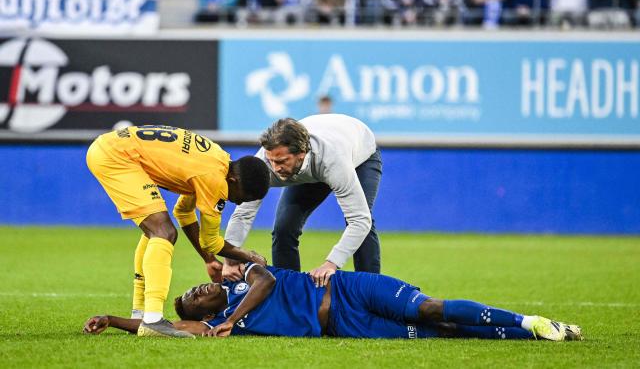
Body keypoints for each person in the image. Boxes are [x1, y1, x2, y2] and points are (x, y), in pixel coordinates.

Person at [85, 125, 271, 338]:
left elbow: (183, 212)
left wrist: (208, 260)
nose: (237, 202)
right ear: (233, 181)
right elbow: (211, 241)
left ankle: (141, 313)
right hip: (117, 156)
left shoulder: (218, 160)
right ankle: (153, 320)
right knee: (163, 232)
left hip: (114, 147)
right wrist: (248, 255)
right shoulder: (215, 181)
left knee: (155, 231)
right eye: (242, 197)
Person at [84, 263, 584, 342]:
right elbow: (164, 329)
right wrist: (112, 319)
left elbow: (266, 281)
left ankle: (528, 318)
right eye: (196, 296)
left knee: (429, 308)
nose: (201, 287)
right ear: (201, 312)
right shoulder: (209, 323)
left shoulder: (244, 279)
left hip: (346, 289)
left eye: (198, 285)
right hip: (344, 326)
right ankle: (539, 332)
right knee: (441, 334)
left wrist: (234, 317)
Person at [223, 115, 382, 287]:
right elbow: (243, 213)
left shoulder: (333, 160)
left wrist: (331, 264)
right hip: (314, 164)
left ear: (301, 153)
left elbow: (359, 221)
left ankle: (370, 293)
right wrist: (231, 257)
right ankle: (290, 296)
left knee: (361, 221)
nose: (275, 169)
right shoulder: (264, 163)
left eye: (282, 161)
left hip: (360, 155)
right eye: (272, 161)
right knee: (283, 228)